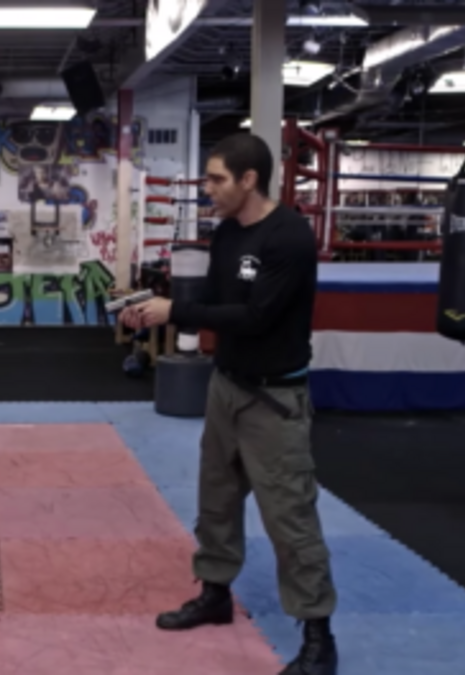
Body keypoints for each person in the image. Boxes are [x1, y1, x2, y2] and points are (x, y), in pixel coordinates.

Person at [121, 133, 338, 675]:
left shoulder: (289, 237)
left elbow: (257, 317)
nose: (208, 189)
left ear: (249, 179)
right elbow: (214, 303)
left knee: (289, 516)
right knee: (216, 499)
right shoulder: (225, 235)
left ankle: (318, 636)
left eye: (217, 180)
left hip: (275, 397)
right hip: (227, 386)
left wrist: (176, 312)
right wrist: (150, 306)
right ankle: (215, 593)